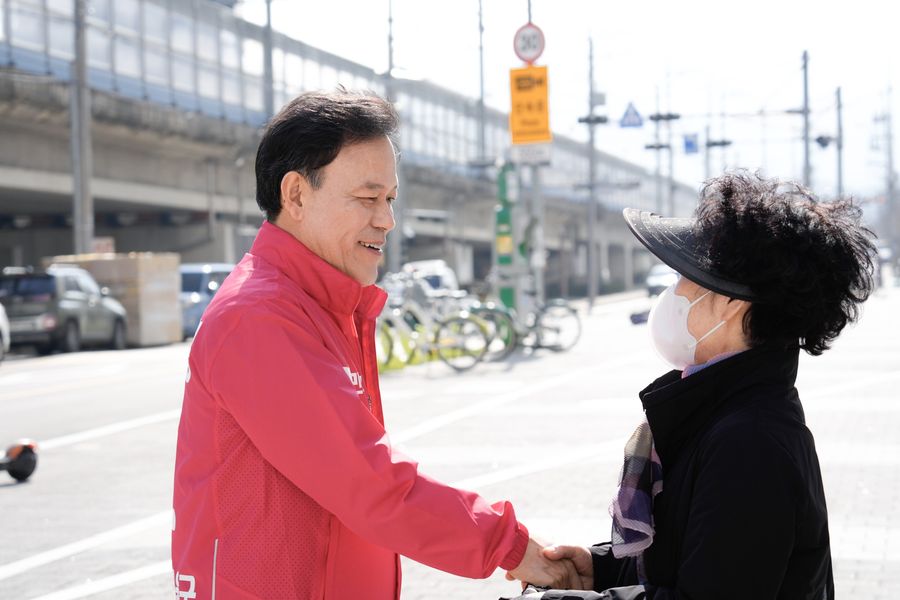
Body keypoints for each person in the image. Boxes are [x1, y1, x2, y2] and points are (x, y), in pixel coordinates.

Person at [170, 90, 569, 599]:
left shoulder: (322, 306)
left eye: (390, 199)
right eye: (367, 198)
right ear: (296, 195)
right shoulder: (260, 317)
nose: (386, 220)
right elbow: (369, 485)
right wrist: (511, 547)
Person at [510, 171, 876, 599]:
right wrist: (599, 570)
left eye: (683, 277)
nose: (673, 292)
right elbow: (695, 555)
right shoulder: (723, 410)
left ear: (731, 304)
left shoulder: (751, 441)